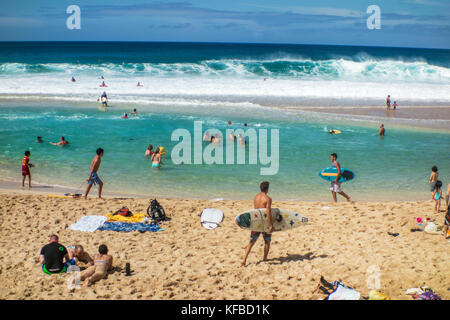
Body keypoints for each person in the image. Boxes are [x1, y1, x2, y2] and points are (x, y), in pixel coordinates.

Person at [241, 181, 274, 267]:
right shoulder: (268, 199)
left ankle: (244, 260)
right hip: (264, 223)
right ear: (267, 188)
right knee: (267, 241)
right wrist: (270, 225)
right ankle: (265, 259)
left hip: (256, 222)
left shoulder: (256, 197)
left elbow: (256, 210)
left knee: (251, 241)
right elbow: (268, 212)